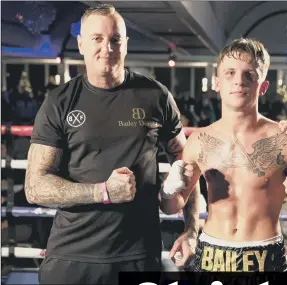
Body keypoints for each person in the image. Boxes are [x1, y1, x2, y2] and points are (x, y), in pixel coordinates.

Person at [24, 4, 200, 284]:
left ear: (125, 44)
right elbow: (35, 187)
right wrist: (102, 192)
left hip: (138, 256)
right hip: (72, 256)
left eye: (115, 39)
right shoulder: (59, 102)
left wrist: (191, 230)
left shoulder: (156, 96)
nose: (107, 47)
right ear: (81, 44)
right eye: (97, 39)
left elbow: (189, 163)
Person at [160, 38, 287, 273]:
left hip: (265, 256)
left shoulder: (286, 139)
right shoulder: (198, 141)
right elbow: (170, 207)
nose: (239, 81)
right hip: (212, 253)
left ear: (263, 85)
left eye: (249, 74)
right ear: (217, 83)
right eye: (230, 73)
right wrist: (168, 189)